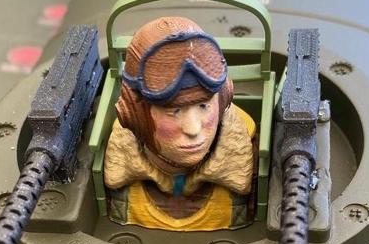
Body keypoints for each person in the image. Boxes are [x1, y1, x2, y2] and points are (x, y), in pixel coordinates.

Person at [104, 16, 256, 230]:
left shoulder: (250, 154)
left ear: (223, 98)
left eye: (203, 106)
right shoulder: (118, 169)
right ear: (133, 114)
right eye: (174, 111)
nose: (193, 129)